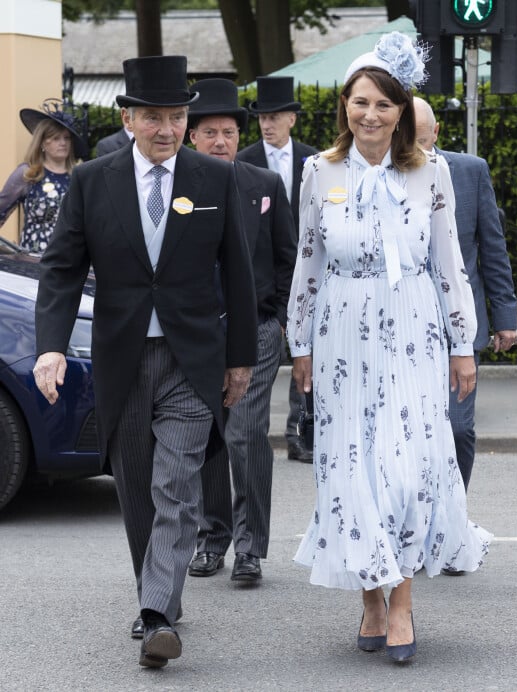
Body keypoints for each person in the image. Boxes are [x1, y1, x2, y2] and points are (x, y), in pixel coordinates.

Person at [32, 56, 257, 669]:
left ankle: (158, 613)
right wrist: (51, 345)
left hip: (191, 362)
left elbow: (238, 273)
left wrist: (240, 361)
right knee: (135, 487)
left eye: (177, 116)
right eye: (153, 116)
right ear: (128, 118)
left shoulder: (215, 178)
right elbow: (60, 269)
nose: (167, 128)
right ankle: (156, 593)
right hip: (122, 360)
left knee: (176, 485)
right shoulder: (93, 180)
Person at [287, 32, 492, 663]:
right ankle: (372, 599)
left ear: (401, 111)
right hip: (342, 329)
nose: (369, 114)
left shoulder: (431, 172)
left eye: (382, 103)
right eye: (359, 102)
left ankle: (401, 601)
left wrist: (464, 344)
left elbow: (450, 263)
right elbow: (308, 264)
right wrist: (300, 345)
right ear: (344, 106)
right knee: (355, 472)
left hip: (413, 331)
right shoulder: (319, 172)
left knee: (405, 471)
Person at [186, 78, 297, 582]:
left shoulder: (265, 186)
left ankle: (250, 546)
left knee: (247, 433)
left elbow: (287, 257)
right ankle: (213, 538)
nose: (221, 142)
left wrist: (276, 317)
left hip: (256, 329)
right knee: (208, 434)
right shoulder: (179, 189)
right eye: (209, 133)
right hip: (198, 332)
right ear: (192, 138)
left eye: (228, 132)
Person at [413, 97, 517, 493]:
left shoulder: (470, 171)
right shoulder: (384, 174)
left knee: (458, 429)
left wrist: (505, 317)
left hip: (459, 325)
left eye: (423, 139)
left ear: (436, 133)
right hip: (404, 326)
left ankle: (452, 509)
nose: (418, 150)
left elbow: (493, 248)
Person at [237, 76, 317, 463]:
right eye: (261, 117)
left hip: (311, 266)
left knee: (306, 351)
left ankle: (298, 433)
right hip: (267, 274)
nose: (267, 124)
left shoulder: (315, 159)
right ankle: (255, 431)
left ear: (292, 119)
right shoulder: (242, 160)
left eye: (274, 116)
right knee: (265, 355)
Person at [0, 99, 87, 252]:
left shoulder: (78, 175)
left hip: (71, 260)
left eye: (67, 138)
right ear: (42, 143)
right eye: (56, 138)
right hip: (35, 262)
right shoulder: (27, 174)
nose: (63, 143)